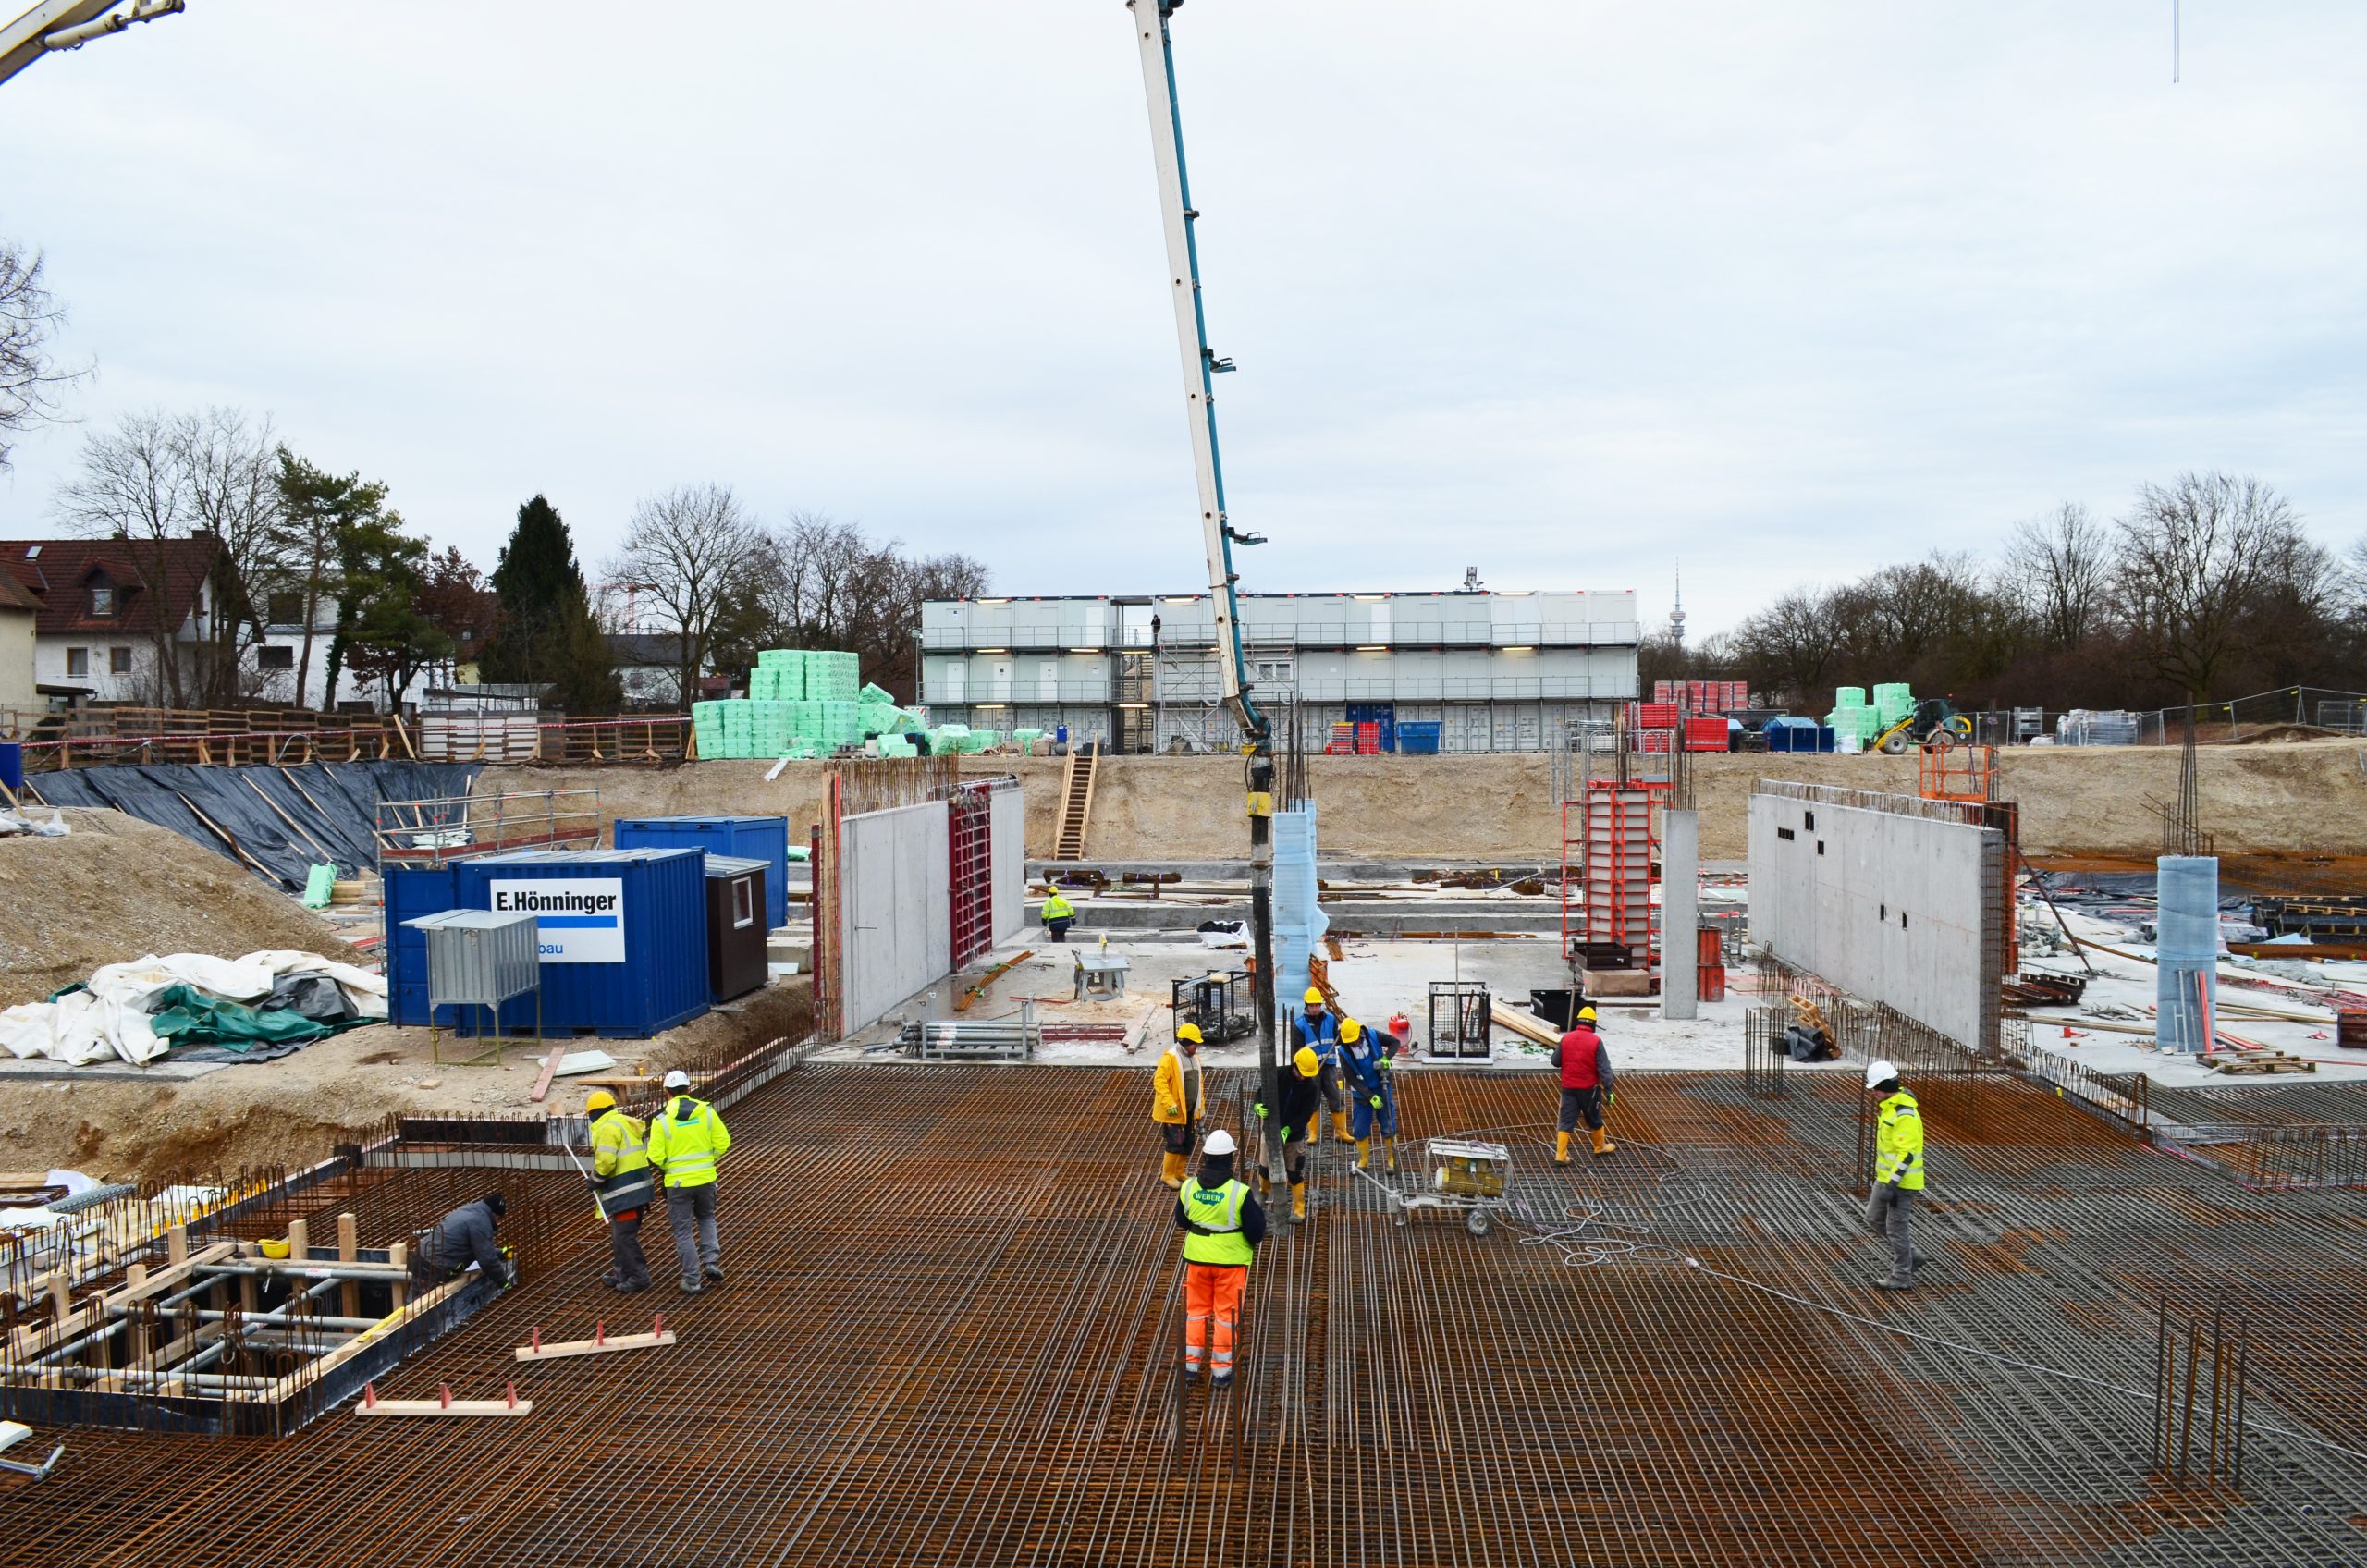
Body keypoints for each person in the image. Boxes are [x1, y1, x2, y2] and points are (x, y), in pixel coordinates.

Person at [1173, 1128, 1265, 1388]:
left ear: (1205, 1157)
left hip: (1197, 1261)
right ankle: (1221, 1373)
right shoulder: (1240, 1192)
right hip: (1230, 1264)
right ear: (1230, 1158)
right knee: (1226, 1316)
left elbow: (1182, 1220)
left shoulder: (1189, 1186)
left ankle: (1190, 1368)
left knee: (1195, 1313)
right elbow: (1257, 1230)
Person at [646, 1068, 731, 1295]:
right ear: (689, 1089)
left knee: (683, 1230)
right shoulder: (707, 1112)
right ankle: (711, 1262)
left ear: (667, 1093)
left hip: (677, 1184)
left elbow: (654, 1156)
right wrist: (708, 1160)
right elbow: (724, 1142)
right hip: (706, 1179)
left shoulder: (661, 1120)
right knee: (706, 1217)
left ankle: (692, 1279)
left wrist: (670, 1169)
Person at [1864, 1059, 1931, 1290]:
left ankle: (1902, 1276)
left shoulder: (1905, 1115)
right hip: (1886, 1179)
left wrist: (1892, 1185)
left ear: (1886, 1086)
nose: (1872, 1093)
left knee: (1896, 1229)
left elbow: (1906, 1155)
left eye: (1875, 1088)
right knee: (1873, 1218)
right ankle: (1913, 1256)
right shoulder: (1889, 1108)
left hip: (1901, 1183)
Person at [586, 1089, 654, 1293]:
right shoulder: (623, 1122)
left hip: (626, 1191)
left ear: (594, 1113)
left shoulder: (607, 1128)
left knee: (624, 1237)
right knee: (619, 1235)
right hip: (636, 1188)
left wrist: (595, 1180)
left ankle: (639, 1277)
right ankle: (622, 1274)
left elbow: (606, 1162)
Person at [1254, 1046, 1327, 1220]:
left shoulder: (1311, 1087)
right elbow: (1260, 1093)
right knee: (1264, 1168)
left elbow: (1305, 1115)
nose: (1304, 1078)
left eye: (1307, 1075)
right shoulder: (1278, 1075)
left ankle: (1298, 1209)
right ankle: (1262, 1195)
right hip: (1270, 1131)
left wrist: (1289, 1130)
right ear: (1295, 1065)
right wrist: (1257, 1105)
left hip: (1293, 1137)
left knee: (1294, 1172)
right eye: (1302, 1073)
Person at [410, 1192, 514, 1292]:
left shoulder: (468, 1209)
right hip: (434, 1268)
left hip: (421, 1258)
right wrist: (504, 1283)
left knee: (414, 1303)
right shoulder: (482, 1222)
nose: (498, 1223)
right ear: (496, 1215)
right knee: (425, 1307)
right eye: (499, 1219)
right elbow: (486, 1260)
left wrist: (500, 1254)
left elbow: (477, 1249)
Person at [1551, 1009, 1616, 1162]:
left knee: (1566, 1121)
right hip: (1589, 1090)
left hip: (1568, 1089)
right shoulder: (1596, 1041)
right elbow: (1604, 1068)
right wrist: (1608, 1090)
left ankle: (1560, 1155)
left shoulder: (1566, 1039)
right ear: (1593, 1024)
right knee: (1594, 1117)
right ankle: (1599, 1147)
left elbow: (1555, 1061)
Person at [1338, 1017, 1398, 1171]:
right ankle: (1364, 1160)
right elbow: (1351, 1078)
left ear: (1360, 1033)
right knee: (1359, 1127)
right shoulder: (1344, 1051)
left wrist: (1386, 1058)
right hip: (1362, 1094)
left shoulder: (1372, 1035)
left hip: (1382, 1087)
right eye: (1351, 1042)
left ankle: (1392, 1159)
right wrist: (1369, 1096)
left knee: (1388, 1123)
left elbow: (1395, 1042)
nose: (1354, 1043)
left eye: (1356, 1040)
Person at [1152, 1023, 1207, 1189]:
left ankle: (1179, 1172)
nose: (1197, 1046)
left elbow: (1199, 1085)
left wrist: (1200, 1109)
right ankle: (1167, 1175)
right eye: (1194, 1043)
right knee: (1175, 1142)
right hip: (1174, 1112)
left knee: (1187, 1141)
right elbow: (1159, 1082)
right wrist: (1169, 1104)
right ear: (1185, 1042)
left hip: (1188, 1110)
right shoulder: (1170, 1058)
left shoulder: (1195, 1059)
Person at [1292, 988, 1349, 1143]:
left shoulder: (1330, 1019)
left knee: (1335, 1098)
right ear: (1307, 1006)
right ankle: (1313, 1134)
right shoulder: (1300, 1025)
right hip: (1312, 1069)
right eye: (1312, 1005)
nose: (1315, 1008)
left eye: (1317, 1005)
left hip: (1329, 1066)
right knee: (1312, 1099)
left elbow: (1338, 1039)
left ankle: (1341, 1132)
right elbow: (1297, 1051)